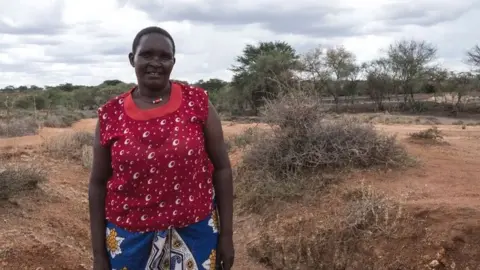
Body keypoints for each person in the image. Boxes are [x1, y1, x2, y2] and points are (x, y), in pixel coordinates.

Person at [88, 26, 234, 270]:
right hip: (130, 239)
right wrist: (99, 255)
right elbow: (97, 183)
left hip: (195, 233)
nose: (155, 63)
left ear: (173, 62)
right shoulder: (111, 115)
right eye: (146, 55)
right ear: (132, 59)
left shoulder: (197, 103)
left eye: (164, 56)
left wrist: (227, 236)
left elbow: (222, 169)